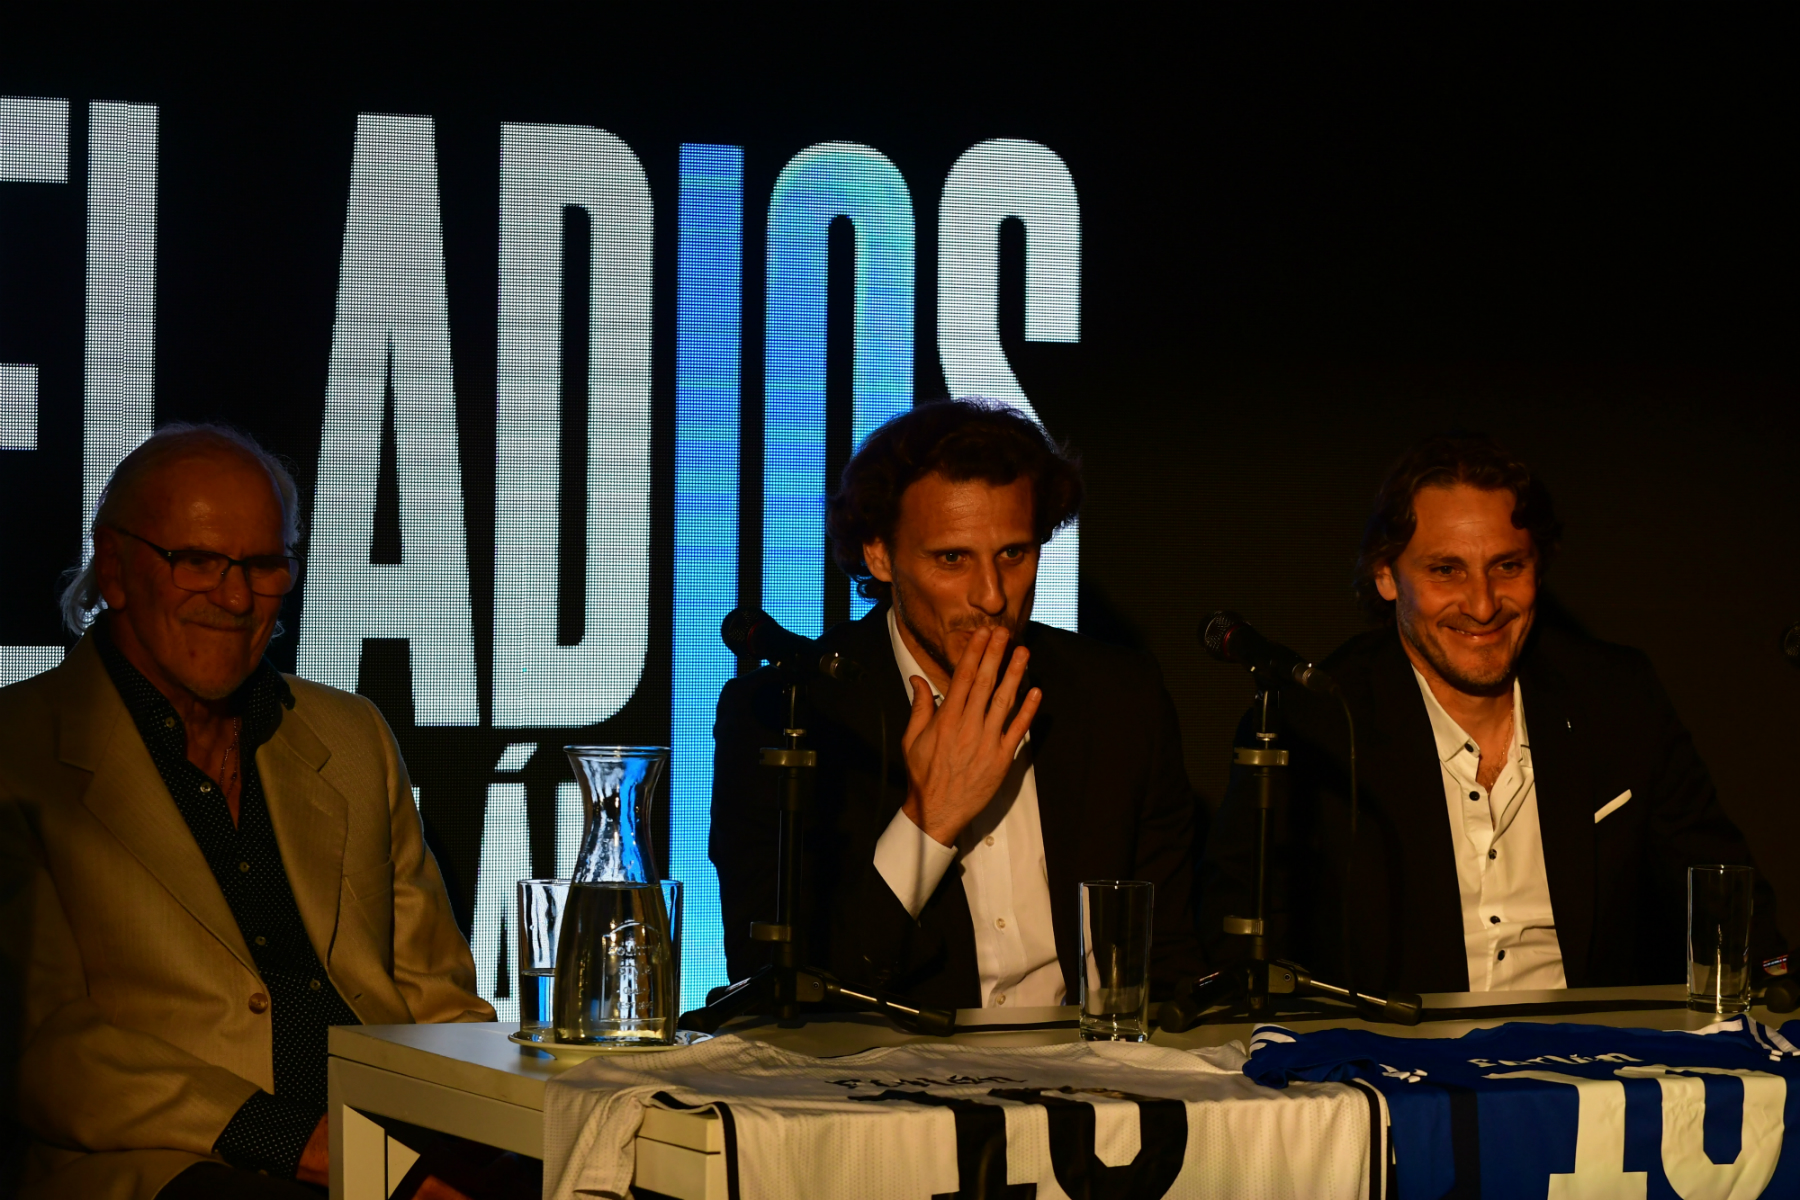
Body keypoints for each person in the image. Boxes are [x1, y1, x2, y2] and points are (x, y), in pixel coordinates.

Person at [3, 424, 493, 1200]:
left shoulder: (352, 735)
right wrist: (315, 1147)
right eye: (197, 561)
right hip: (174, 1162)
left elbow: (439, 1003)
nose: (234, 598)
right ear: (116, 566)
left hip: (390, 1145)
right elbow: (45, 1052)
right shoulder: (17, 752)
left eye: (263, 565)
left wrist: (496, 1136)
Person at [1199, 432, 1781, 995]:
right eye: (1445, 570)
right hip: (1395, 1070)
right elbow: (1236, 957)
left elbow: (1728, 900)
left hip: (1594, 1071)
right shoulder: (1313, 726)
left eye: (1507, 567)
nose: (1482, 606)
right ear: (1385, 575)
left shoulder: (1616, 697)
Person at [710, 399, 1201, 1011]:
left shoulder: (1119, 697)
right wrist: (928, 820)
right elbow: (780, 993)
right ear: (879, 555)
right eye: (952, 558)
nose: (992, 596)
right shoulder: (789, 711)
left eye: (1014, 554)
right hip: (884, 1086)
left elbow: (1172, 965)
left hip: (1091, 1078)